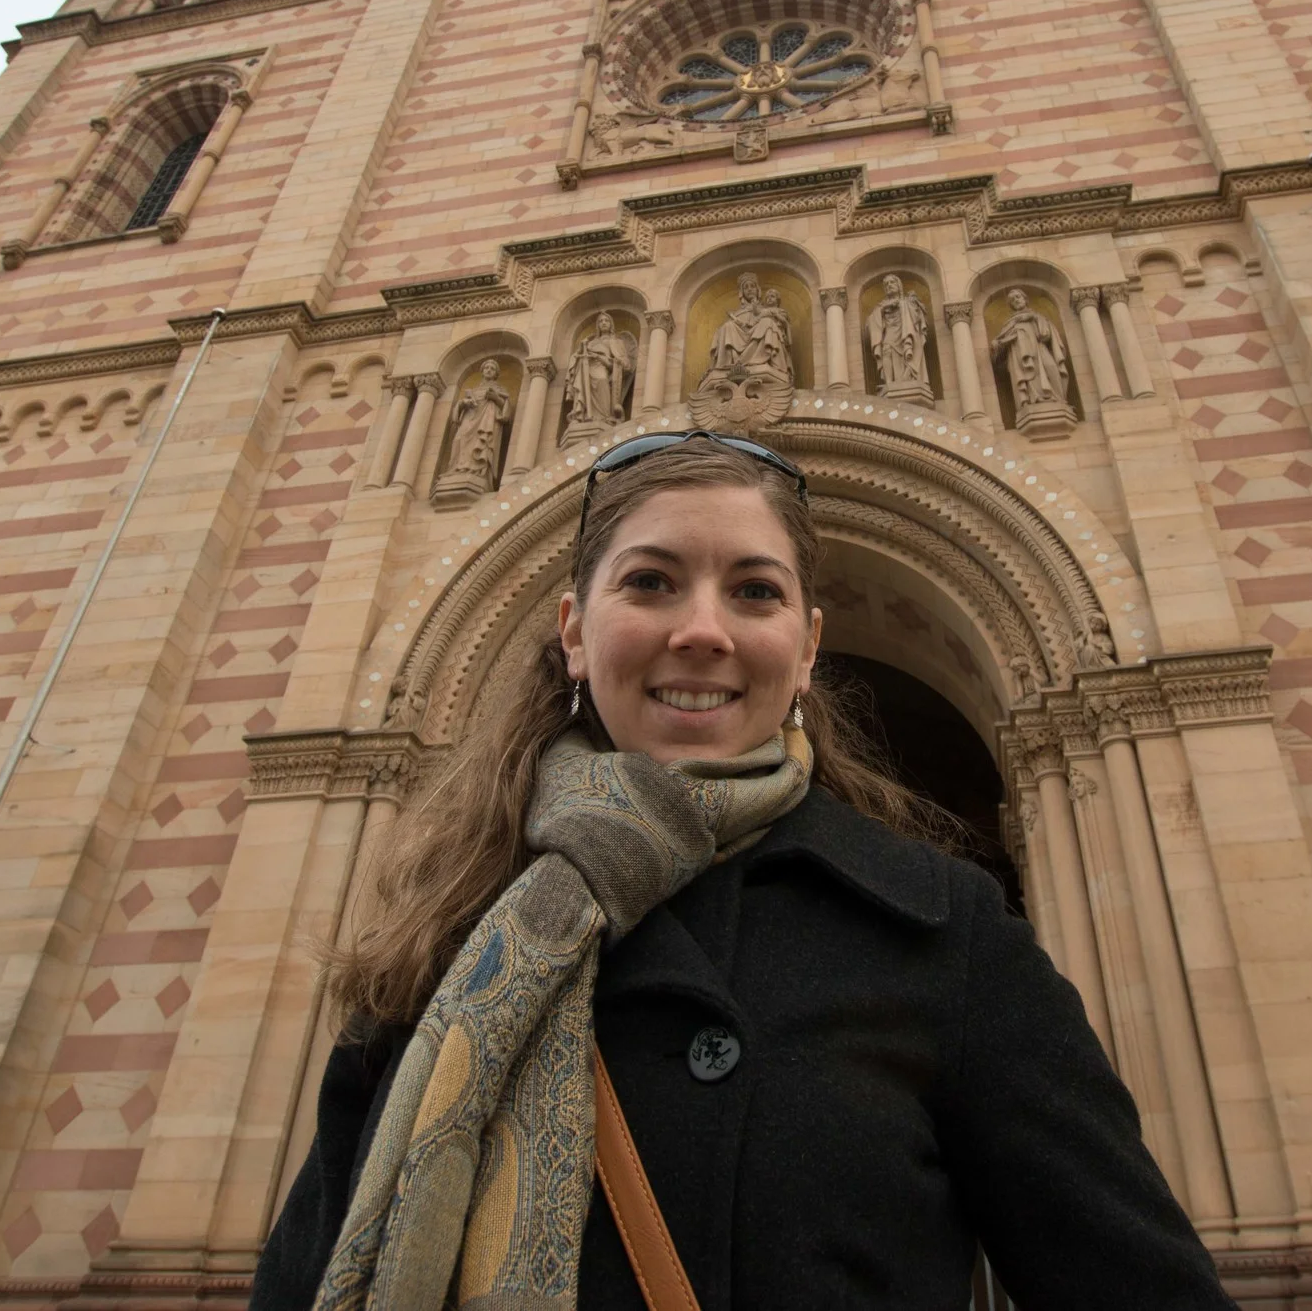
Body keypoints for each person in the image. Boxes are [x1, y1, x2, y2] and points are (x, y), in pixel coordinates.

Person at [253, 431, 1237, 1311]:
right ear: (572, 630)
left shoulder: (943, 932)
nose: (703, 628)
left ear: (805, 646)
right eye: (650, 581)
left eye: (755, 589)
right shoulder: (446, 931)